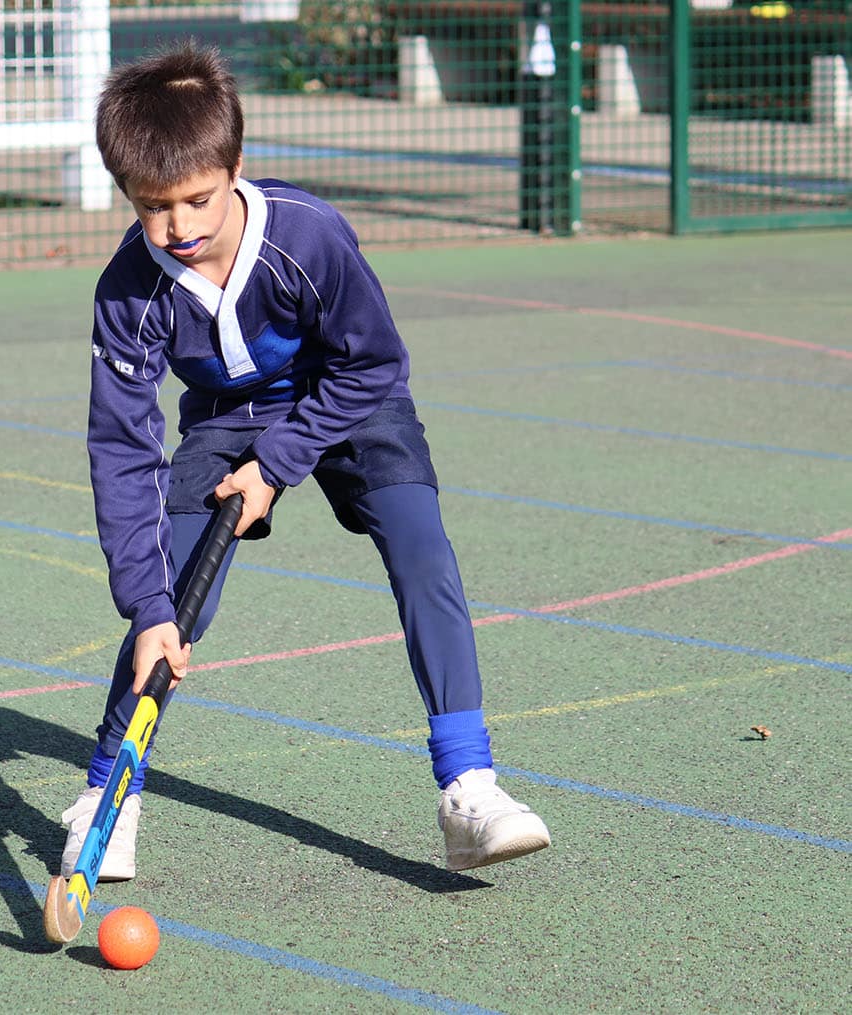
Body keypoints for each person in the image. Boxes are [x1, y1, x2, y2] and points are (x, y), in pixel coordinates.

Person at [60, 42, 549, 879]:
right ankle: (109, 793)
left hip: (347, 396)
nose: (180, 227)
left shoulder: (307, 236)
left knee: (420, 543)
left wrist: (278, 463)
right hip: (225, 418)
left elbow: (374, 363)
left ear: (235, 167)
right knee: (175, 594)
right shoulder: (128, 291)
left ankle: (470, 786)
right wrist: (147, 606)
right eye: (153, 207)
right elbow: (122, 450)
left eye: (198, 198)